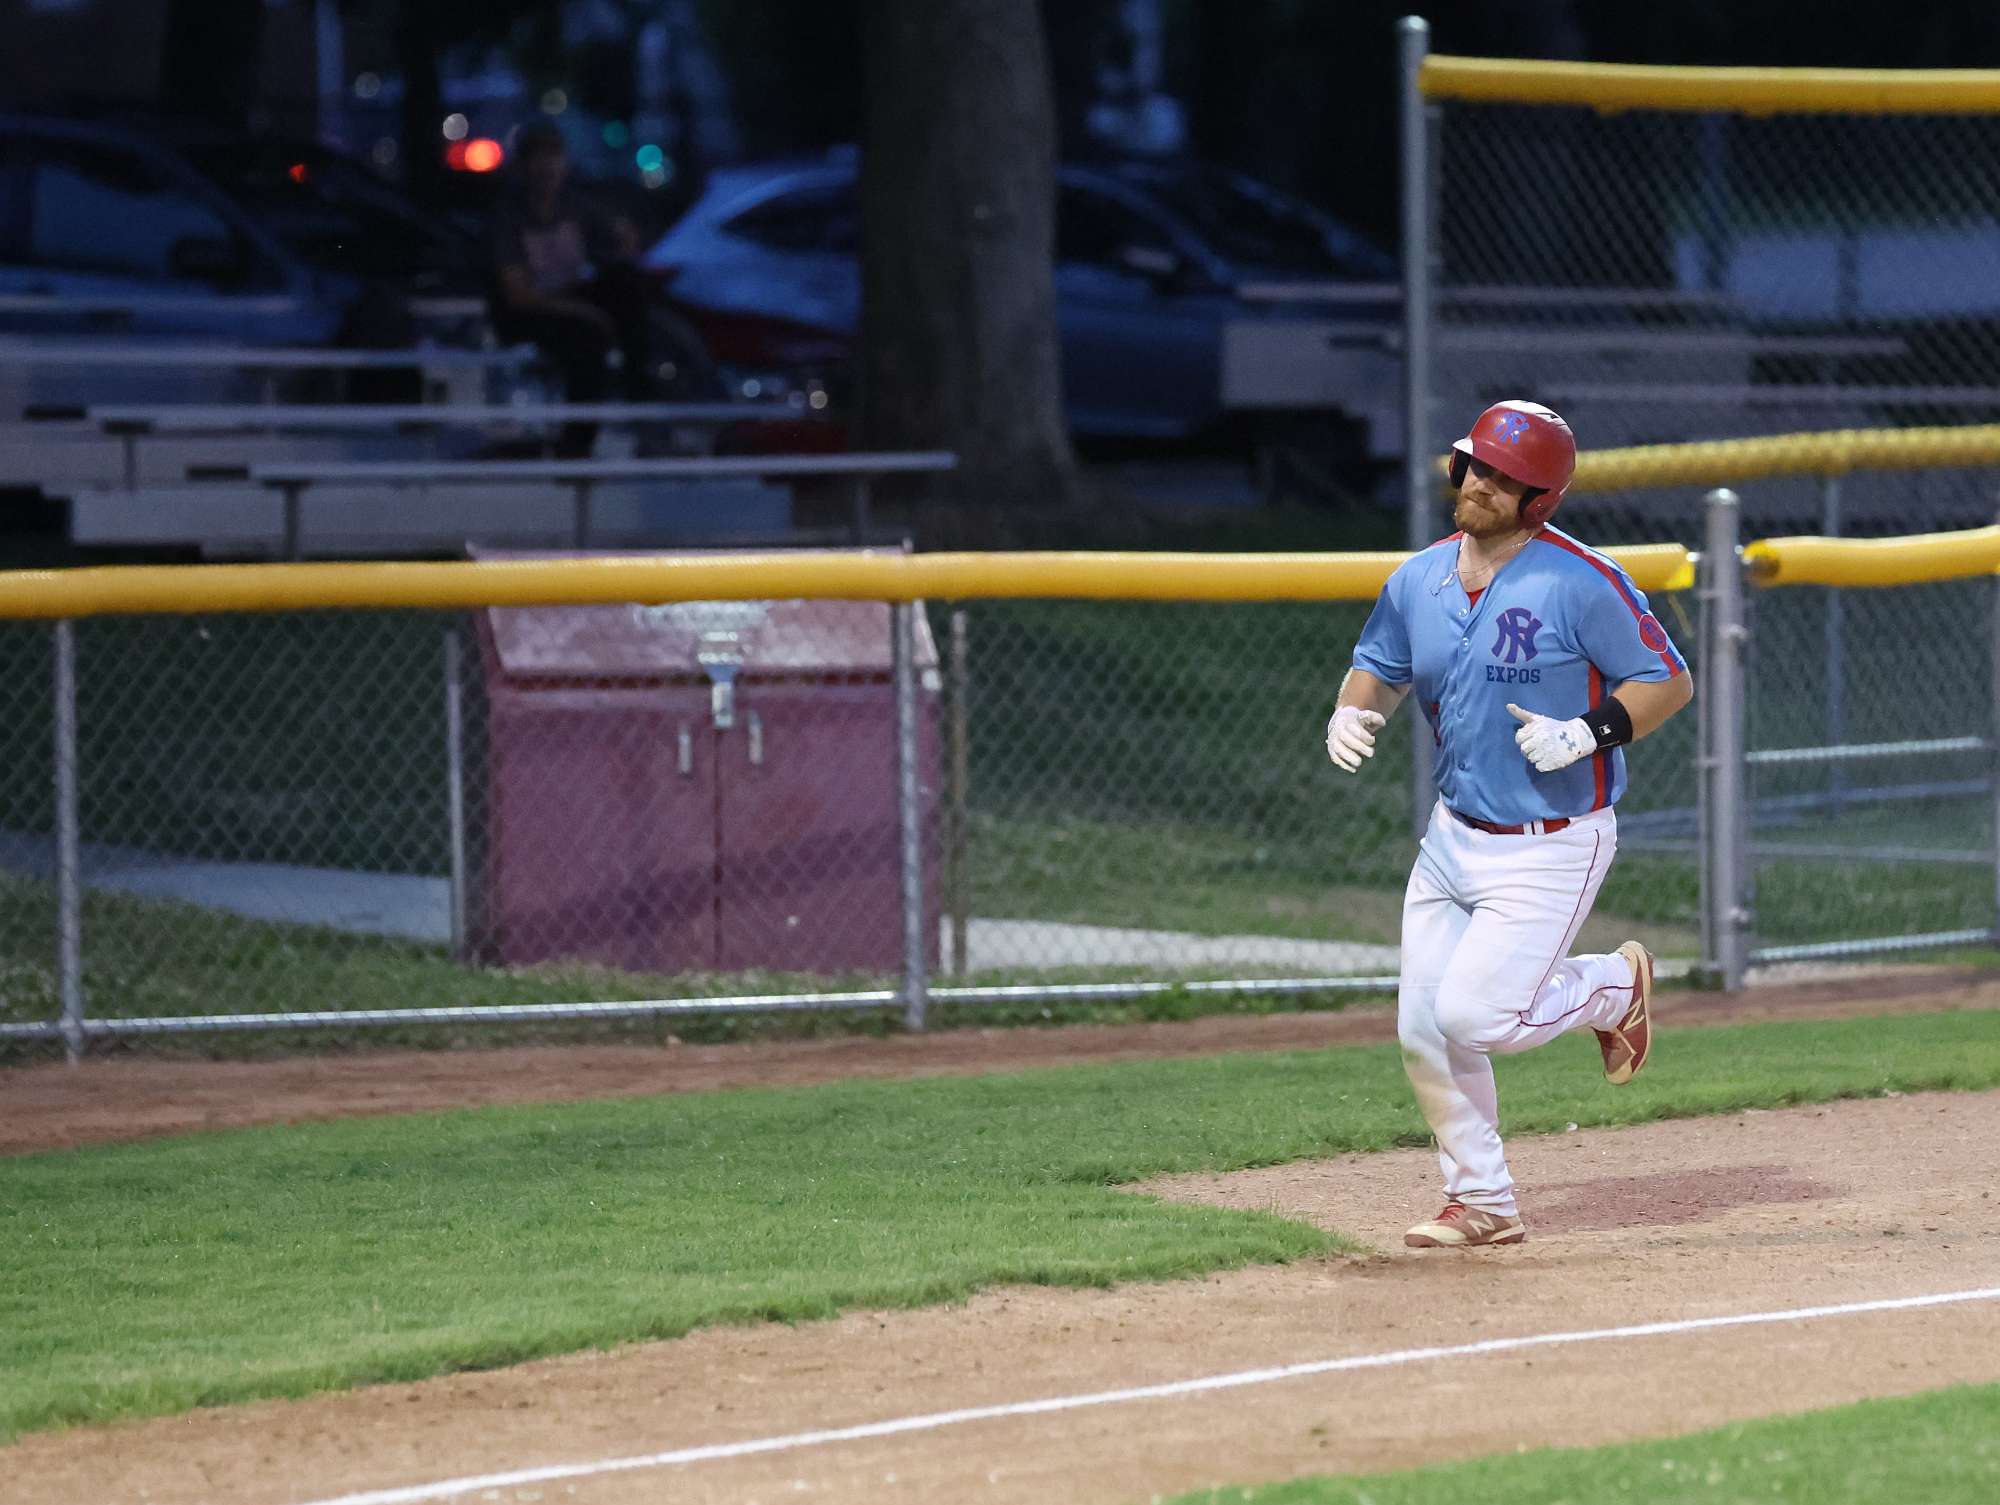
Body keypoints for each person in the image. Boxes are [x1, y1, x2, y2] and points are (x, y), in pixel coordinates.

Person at [1325, 399, 1694, 1250]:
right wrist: (1350, 710)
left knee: (1477, 1017)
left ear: (1540, 498)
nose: (1480, 484)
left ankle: (1613, 986)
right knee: (1423, 1028)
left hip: (1552, 841)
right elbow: (1375, 665)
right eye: (1476, 466)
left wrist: (1591, 731)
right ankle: (1483, 1200)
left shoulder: (1582, 581)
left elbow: (1667, 679)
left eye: (1504, 477)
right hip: (1451, 835)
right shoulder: (1419, 578)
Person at [488, 122, 657, 457]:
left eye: (555, 158)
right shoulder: (507, 219)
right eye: (540, 159)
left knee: (627, 286)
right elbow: (518, 295)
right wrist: (588, 313)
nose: (548, 168)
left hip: (572, 298)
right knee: (586, 339)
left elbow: (622, 238)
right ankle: (576, 446)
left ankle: (643, 398)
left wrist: (623, 241)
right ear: (524, 167)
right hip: (529, 312)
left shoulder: (575, 206)